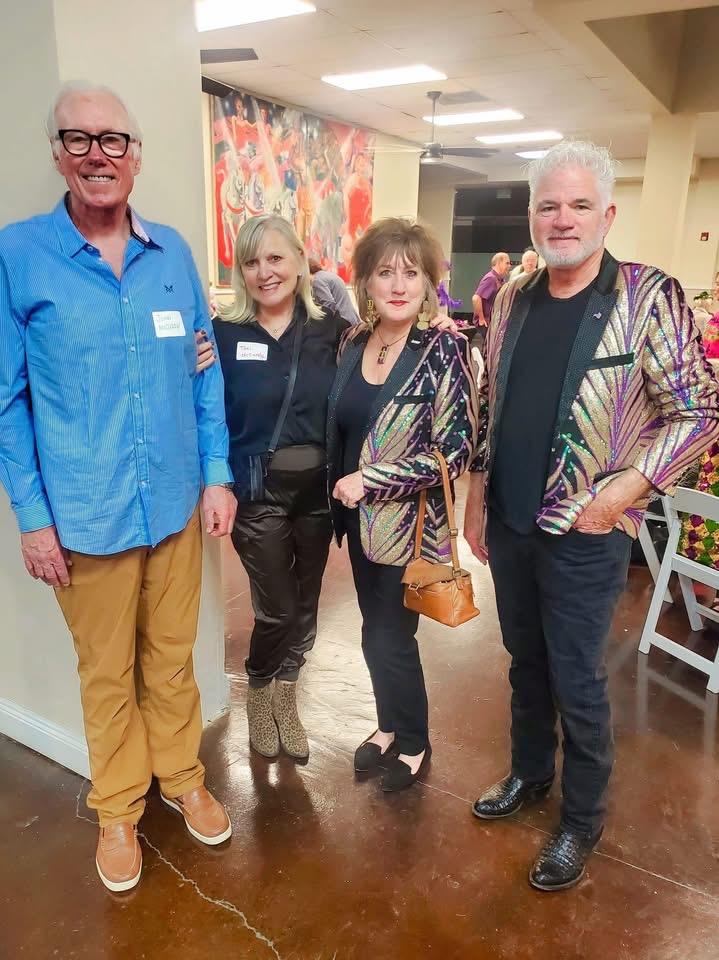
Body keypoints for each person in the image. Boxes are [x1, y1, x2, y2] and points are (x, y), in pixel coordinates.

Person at [463, 140, 719, 891]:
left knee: (575, 677)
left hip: (587, 527)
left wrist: (618, 497)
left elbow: (697, 412)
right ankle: (529, 774)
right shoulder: (512, 298)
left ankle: (580, 819)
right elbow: (491, 403)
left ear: (606, 216)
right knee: (524, 661)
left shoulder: (648, 296)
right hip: (510, 521)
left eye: (579, 205)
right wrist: (476, 499)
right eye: (548, 205)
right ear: (532, 215)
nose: (562, 219)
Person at [0, 83, 237, 893]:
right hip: (84, 513)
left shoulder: (172, 254)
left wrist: (217, 474)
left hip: (172, 504)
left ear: (136, 156)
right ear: (57, 152)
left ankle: (183, 779)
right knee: (106, 675)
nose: (97, 154)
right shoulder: (19, 255)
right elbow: (7, 401)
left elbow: (205, 374)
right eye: (79, 138)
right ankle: (117, 811)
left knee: (171, 661)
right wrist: (33, 519)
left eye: (113, 140)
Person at [328, 218, 479, 792]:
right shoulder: (353, 342)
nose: (398, 285)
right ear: (365, 281)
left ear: (428, 283)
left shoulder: (444, 348)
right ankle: (388, 726)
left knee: (393, 638)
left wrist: (372, 480)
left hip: (407, 527)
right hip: (355, 523)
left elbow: (454, 452)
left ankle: (414, 741)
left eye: (411, 274)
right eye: (385, 272)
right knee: (374, 633)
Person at [212, 214, 345, 763]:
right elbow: (204, 412)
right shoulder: (221, 335)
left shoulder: (333, 332)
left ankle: (287, 695)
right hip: (256, 492)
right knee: (278, 610)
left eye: (275, 258)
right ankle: (259, 687)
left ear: (299, 262)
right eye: (251, 262)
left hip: (317, 493)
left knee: (307, 605)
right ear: (240, 272)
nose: (265, 272)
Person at [308, 256, 360, 326]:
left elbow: (328, 304)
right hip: (351, 319)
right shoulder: (326, 275)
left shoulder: (317, 280)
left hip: (342, 321)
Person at [471, 251, 511, 343]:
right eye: (507, 263)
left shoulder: (500, 280)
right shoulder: (491, 278)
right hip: (487, 324)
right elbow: (476, 298)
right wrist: (481, 319)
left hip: (494, 323)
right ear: (498, 263)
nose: (509, 266)